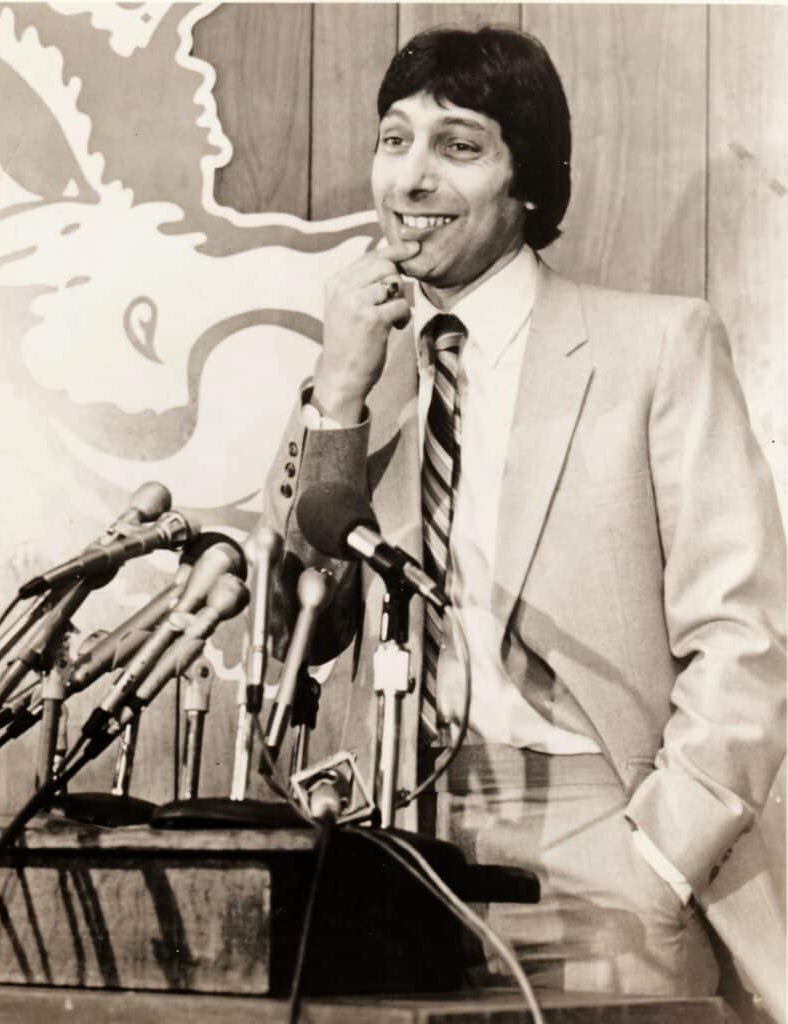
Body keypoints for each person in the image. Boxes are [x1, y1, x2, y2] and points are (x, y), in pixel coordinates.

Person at [262, 25, 786, 1013]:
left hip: (600, 850)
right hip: (387, 850)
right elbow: (299, 636)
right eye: (393, 140)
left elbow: (745, 640)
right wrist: (336, 395)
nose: (410, 178)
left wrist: (656, 854)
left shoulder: (656, 346)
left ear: (529, 184)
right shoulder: (357, 374)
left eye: (456, 146)